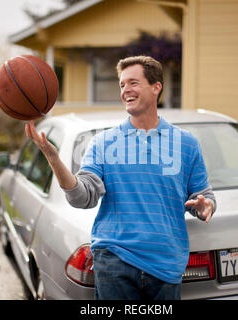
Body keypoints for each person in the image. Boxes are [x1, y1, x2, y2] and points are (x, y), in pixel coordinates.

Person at [25, 55, 216, 300]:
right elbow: (82, 197)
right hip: (115, 261)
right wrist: (53, 158)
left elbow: (204, 196)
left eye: (133, 83)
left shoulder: (186, 143)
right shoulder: (104, 143)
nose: (126, 90)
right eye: (122, 84)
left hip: (166, 264)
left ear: (156, 87)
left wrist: (205, 206)